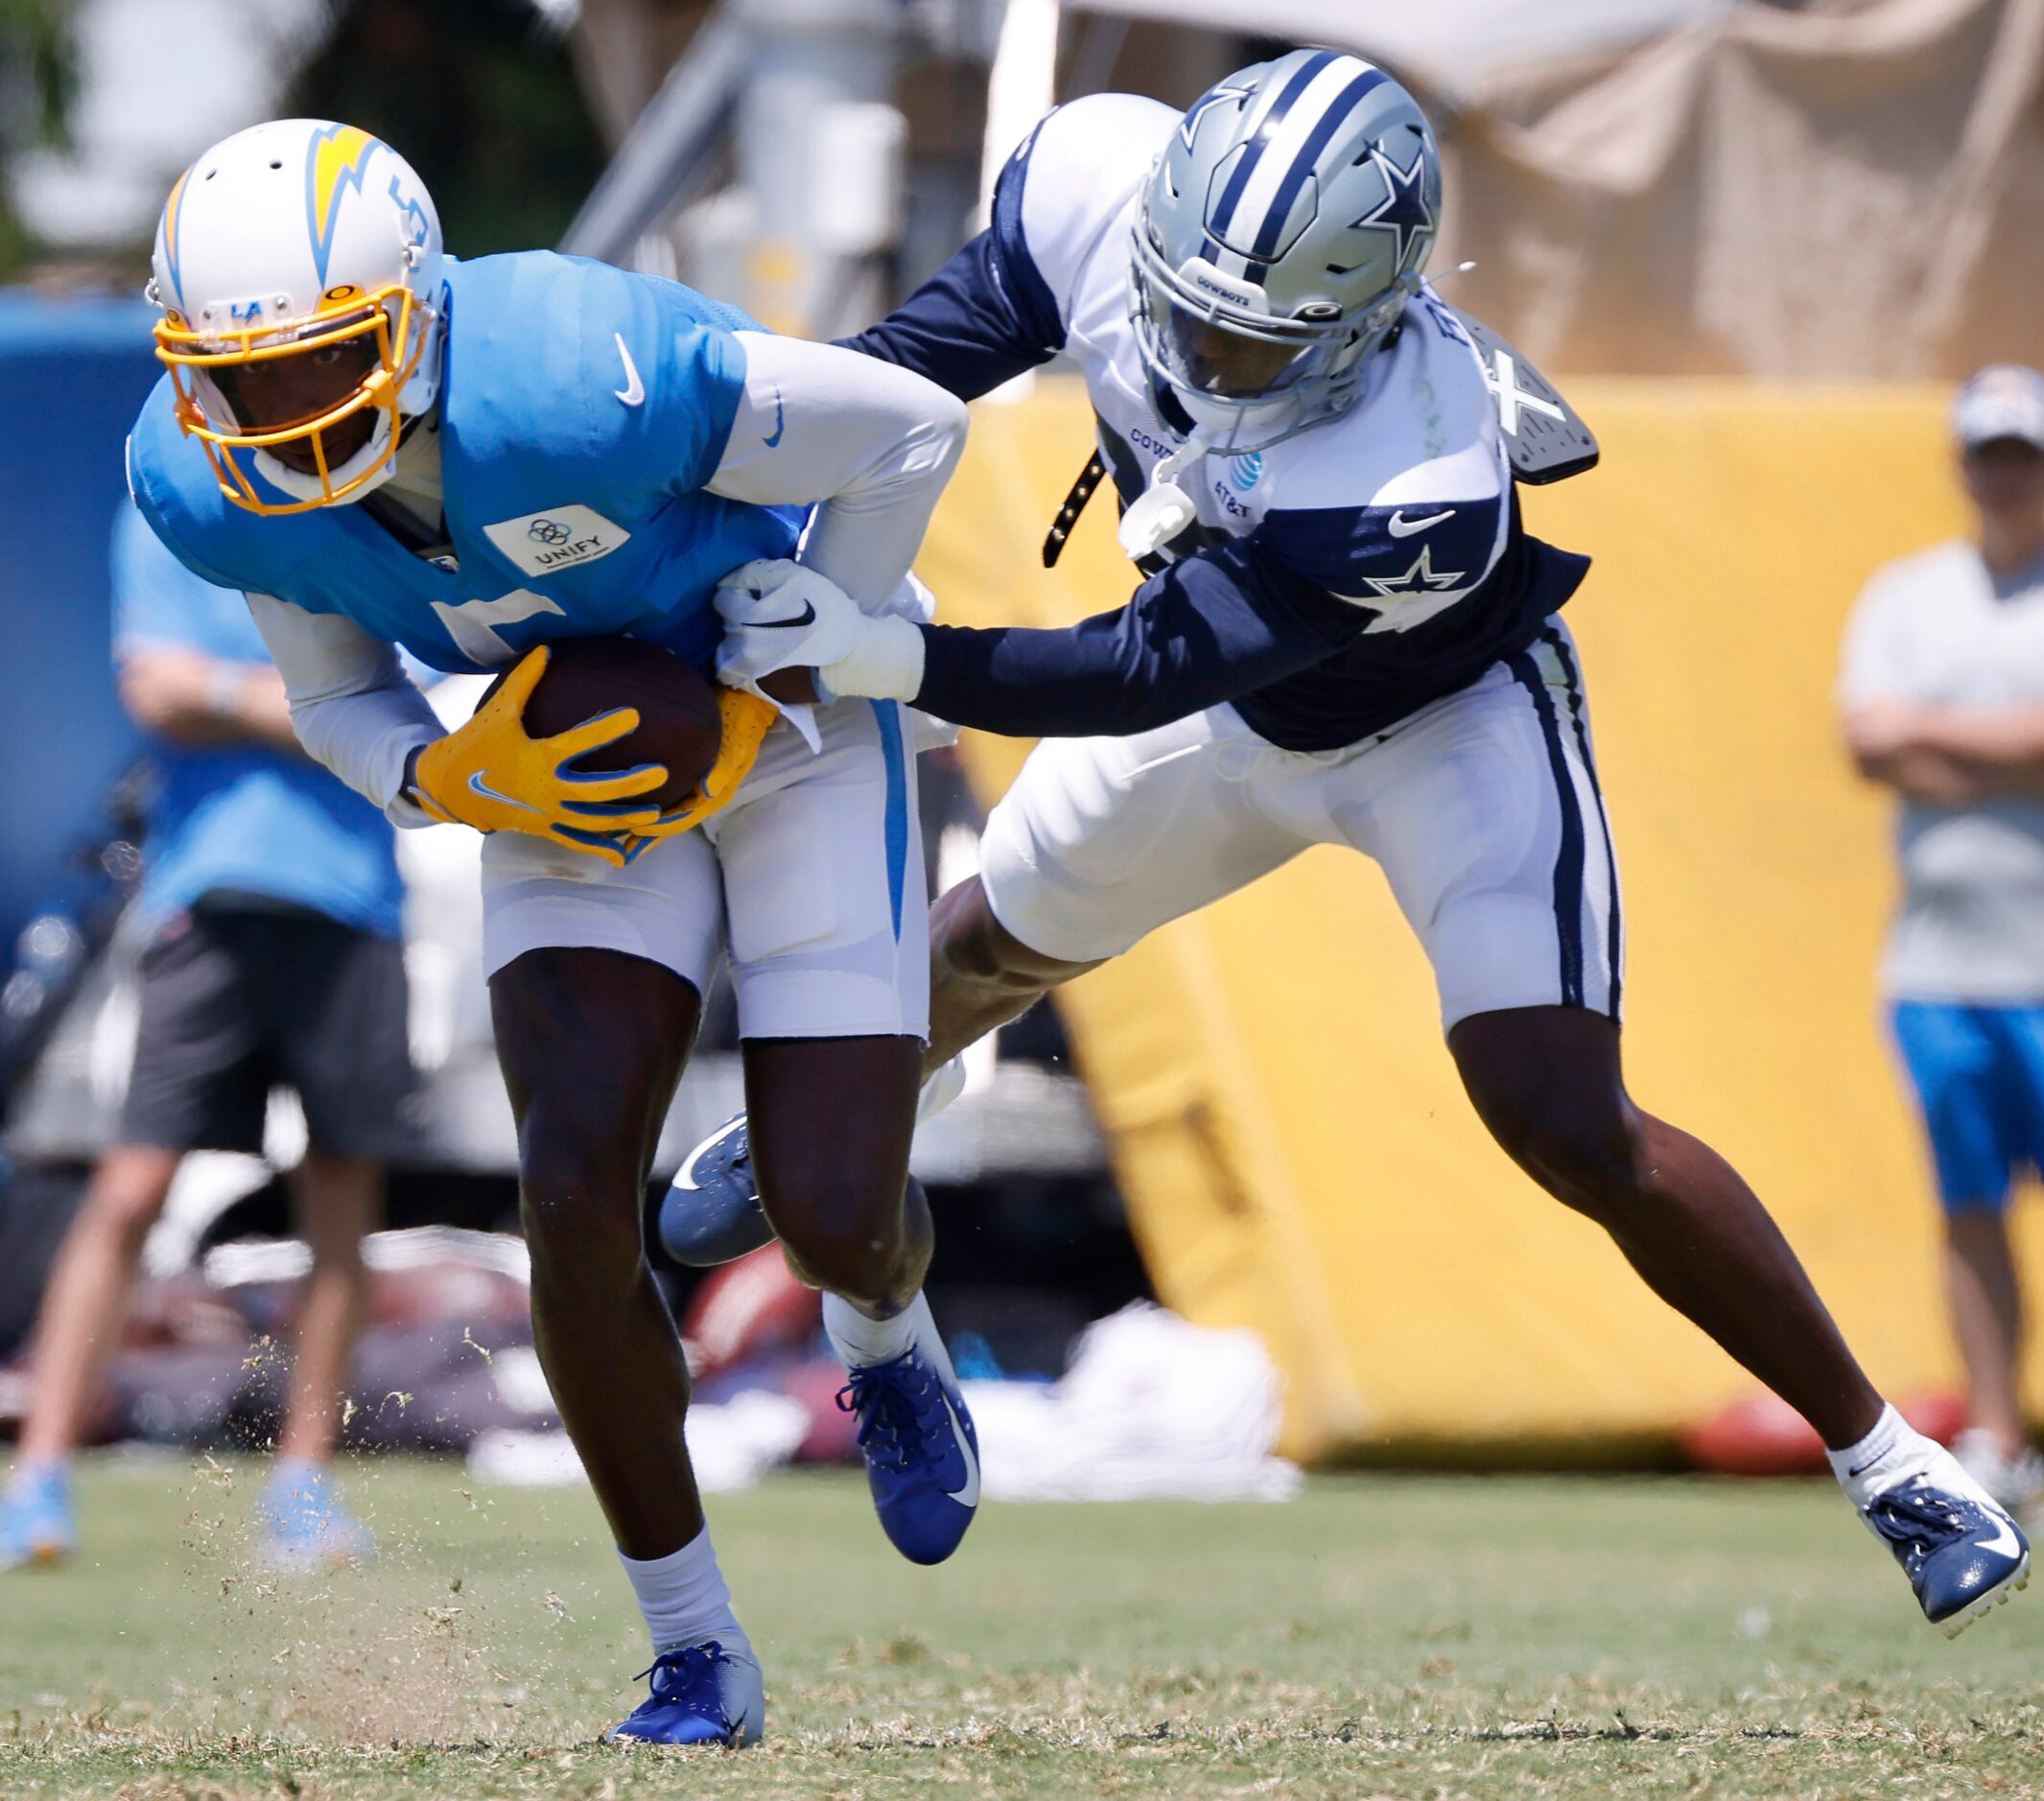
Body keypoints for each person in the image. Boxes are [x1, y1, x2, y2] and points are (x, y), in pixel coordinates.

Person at [674, 49, 2031, 1637]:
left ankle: (1895, 1461)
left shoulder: (1418, 470)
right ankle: (831, 1123)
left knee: (1560, 1114)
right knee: (979, 949)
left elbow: (1137, 672)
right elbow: (906, 371)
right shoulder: (1095, 185)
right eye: (1180, 306)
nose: (1196, 350)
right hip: (1230, 714)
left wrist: (880, 650)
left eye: (1253, 336)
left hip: (1440, 728)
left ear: (1368, 311)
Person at [122, 119, 977, 1747]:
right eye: (241, 384)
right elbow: (333, 697)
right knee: (575, 1187)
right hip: (564, 772)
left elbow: (911, 431)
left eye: (321, 366)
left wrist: (795, 667)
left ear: (417, 318)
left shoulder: (587, 367)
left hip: (780, 727)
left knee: (833, 1204)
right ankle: (695, 1651)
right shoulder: (200, 484)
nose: (281, 420)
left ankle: (880, 1323)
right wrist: (443, 775)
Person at [0, 503, 414, 1572]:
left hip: (360, 907)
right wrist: (325, 711)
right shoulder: (171, 510)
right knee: (129, 1190)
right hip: (208, 903)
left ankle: (304, 1489)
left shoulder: (373, 513)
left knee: (341, 1204)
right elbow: (159, 689)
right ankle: (38, 1481)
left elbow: (421, 711)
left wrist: (254, 702)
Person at [1840, 363, 2044, 1517]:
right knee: (1969, 1206)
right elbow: (1867, 741)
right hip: (1938, 964)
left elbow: (1905, 740)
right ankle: (2001, 1432)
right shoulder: (1909, 595)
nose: (2005, 474)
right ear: (1963, 463)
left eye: (2024, 454)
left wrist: (1935, 742)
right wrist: (2010, 749)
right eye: (1990, 452)